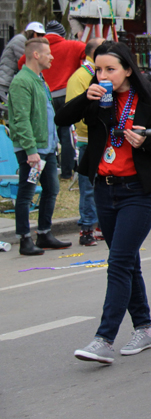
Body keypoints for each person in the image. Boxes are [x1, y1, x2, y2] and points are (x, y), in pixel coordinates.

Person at [57, 41, 151, 364]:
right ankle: (144, 328)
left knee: (119, 262)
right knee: (126, 260)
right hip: (105, 188)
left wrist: (149, 140)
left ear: (128, 69)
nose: (103, 75)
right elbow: (62, 119)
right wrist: (87, 97)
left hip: (141, 190)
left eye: (110, 69)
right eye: (98, 69)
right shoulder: (99, 97)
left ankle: (104, 339)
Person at [8, 38, 70, 256]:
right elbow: (21, 119)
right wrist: (30, 150)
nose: (52, 56)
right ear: (36, 55)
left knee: (51, 189)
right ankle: (24, 238)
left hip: (47, 147)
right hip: (32, 150)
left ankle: (44, 233)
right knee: (26, 193)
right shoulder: (22, 81)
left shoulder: (39, 79)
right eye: (48, 53)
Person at [16, 21, 86, 181]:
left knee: (45, 132)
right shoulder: (73, 45)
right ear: (62, 34)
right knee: (66, 132)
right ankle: (67, 172)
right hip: (66, 94)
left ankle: (46, 171)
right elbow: (90, 53)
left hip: (46, 94)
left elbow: (21, 63)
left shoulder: (40, 49)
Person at [65, 37, 106, 246]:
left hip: (101, 139)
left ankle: (99, 225)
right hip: (88, 140)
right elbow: (76, 109)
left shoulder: (100, 75)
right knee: (88, 185)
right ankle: (87, 228)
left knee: (100, 185)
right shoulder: (81, 76)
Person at [0, 21, 45, 102]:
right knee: (10, 109)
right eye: (38, 35)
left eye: (42, 35)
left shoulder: (24, 41)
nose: (40, 38)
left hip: (7, 81)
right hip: (5, 83)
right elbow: (27, 61)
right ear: (32, 33)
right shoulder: (20, 40)